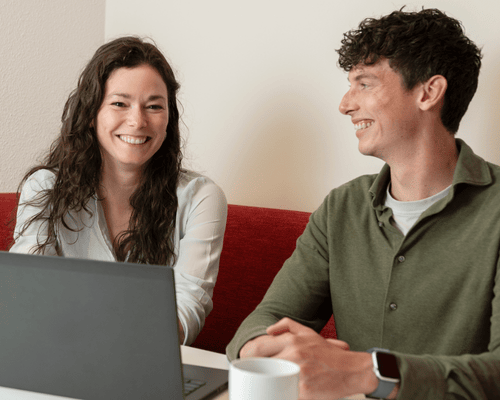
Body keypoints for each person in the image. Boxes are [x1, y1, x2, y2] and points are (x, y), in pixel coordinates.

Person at [227, 8, 500, 399]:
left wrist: (368, 372)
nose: (345, 104)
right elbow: (266, 320)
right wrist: (258, 349)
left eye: (365, 84)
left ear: (428, 92)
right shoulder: (342, 207)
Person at [10, 37, 227, 346]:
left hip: (145, 364)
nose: (137, 121)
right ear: (91, 112)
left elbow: (187, 309)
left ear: (169, 120)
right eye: (119, 103)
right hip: (56, 353)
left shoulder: (202, 198)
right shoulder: (45, 187)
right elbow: (28, 292)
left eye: (154, 106)